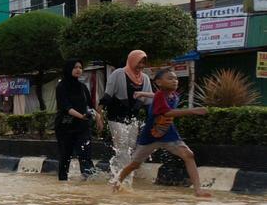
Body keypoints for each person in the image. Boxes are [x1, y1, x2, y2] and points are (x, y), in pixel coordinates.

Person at [111, 67, 211, 197]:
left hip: (168, 133)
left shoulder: (174, 95)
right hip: (150, 136)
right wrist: (193, 111)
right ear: (158, 82)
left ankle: (198, 190)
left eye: (176, 78)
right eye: (170, 78)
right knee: (134, 165)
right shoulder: (159, 96)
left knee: (188, 155)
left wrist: (143, 94)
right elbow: (167, 112)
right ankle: (117, 182)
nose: (174, 81)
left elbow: (157, 96)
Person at [99, 49, 154, 181]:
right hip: (116, 118)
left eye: (143, 63)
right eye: (138, 62)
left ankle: (118, 175)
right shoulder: (118, 74)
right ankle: (124, 179)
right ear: (132, 60)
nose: (140, 66)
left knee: (130, 148)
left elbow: (148, 104)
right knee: (122, 147)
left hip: (132, 119)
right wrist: (99, 115)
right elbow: (107, 96)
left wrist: (152, 121)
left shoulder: (145, 78)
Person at [54, 60, 96, 181]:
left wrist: (98, 116)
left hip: (82, 127)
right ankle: (62, 184)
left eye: (80, 67)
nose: (78, 70)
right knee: (65, 157)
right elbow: (66, 107)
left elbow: (90, 106)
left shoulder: (82, 87)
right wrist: (81, 116)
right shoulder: (61, 86)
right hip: (65, 127)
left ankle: (89, 183)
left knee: (85, 155)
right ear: (68, 69)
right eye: (75, 67)